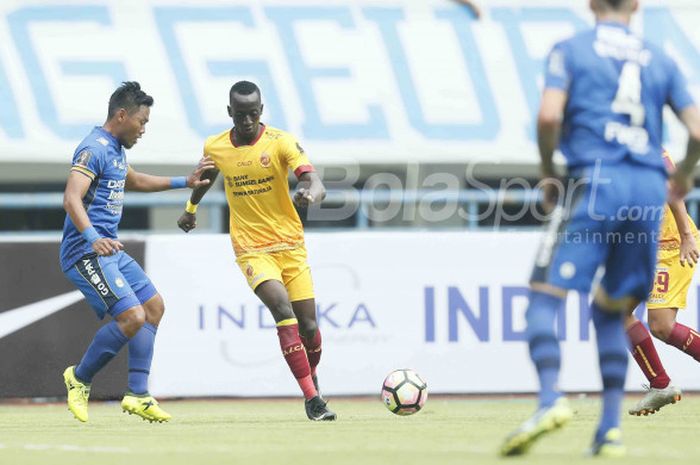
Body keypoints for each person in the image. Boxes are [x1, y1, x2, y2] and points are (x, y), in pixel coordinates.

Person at [500, 0, 700, 457]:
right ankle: (609, 427)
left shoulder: (570, 49)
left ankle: (550, 398)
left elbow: (549, 116)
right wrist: (686, 173)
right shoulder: (660, 57)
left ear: (591, 4)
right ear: (635, 5)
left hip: (596, 183)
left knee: (543, 294)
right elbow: (697, 129)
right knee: (614, 307)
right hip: (646, 193)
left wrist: (550, 171)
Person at [177, 80, 335, 421]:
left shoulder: (282, 142)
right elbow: (206, 178)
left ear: (261, 111)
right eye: (240, 115)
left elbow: (315, 181)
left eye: (252, 114)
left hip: (291, 245)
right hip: (251, 248)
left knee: (309, 326)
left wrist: (309, 195)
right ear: (229, 112)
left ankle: (312, 377)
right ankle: (312, 399)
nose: (247, 122)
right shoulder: (216, 146)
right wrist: (190, 209)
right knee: (282, 308)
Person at [60, 81, 213, 423]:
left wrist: (184, 182)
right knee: (132, 317)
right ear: (122, 114)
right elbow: (71, 198)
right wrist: (92, 238)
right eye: (142, 122)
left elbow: (136, 181)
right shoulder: (93, 148)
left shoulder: (115, 150)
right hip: (85, 252)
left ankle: (139, 395)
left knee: (153, 307)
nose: (144, 129)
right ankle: (79, 378)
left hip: (107, 249)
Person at [625, 150, 700, 416]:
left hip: (669, 247)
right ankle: (660, 384)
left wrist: (687, 235)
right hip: (642, 247)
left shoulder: (643, 143)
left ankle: (660, 385)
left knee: (662, 326)